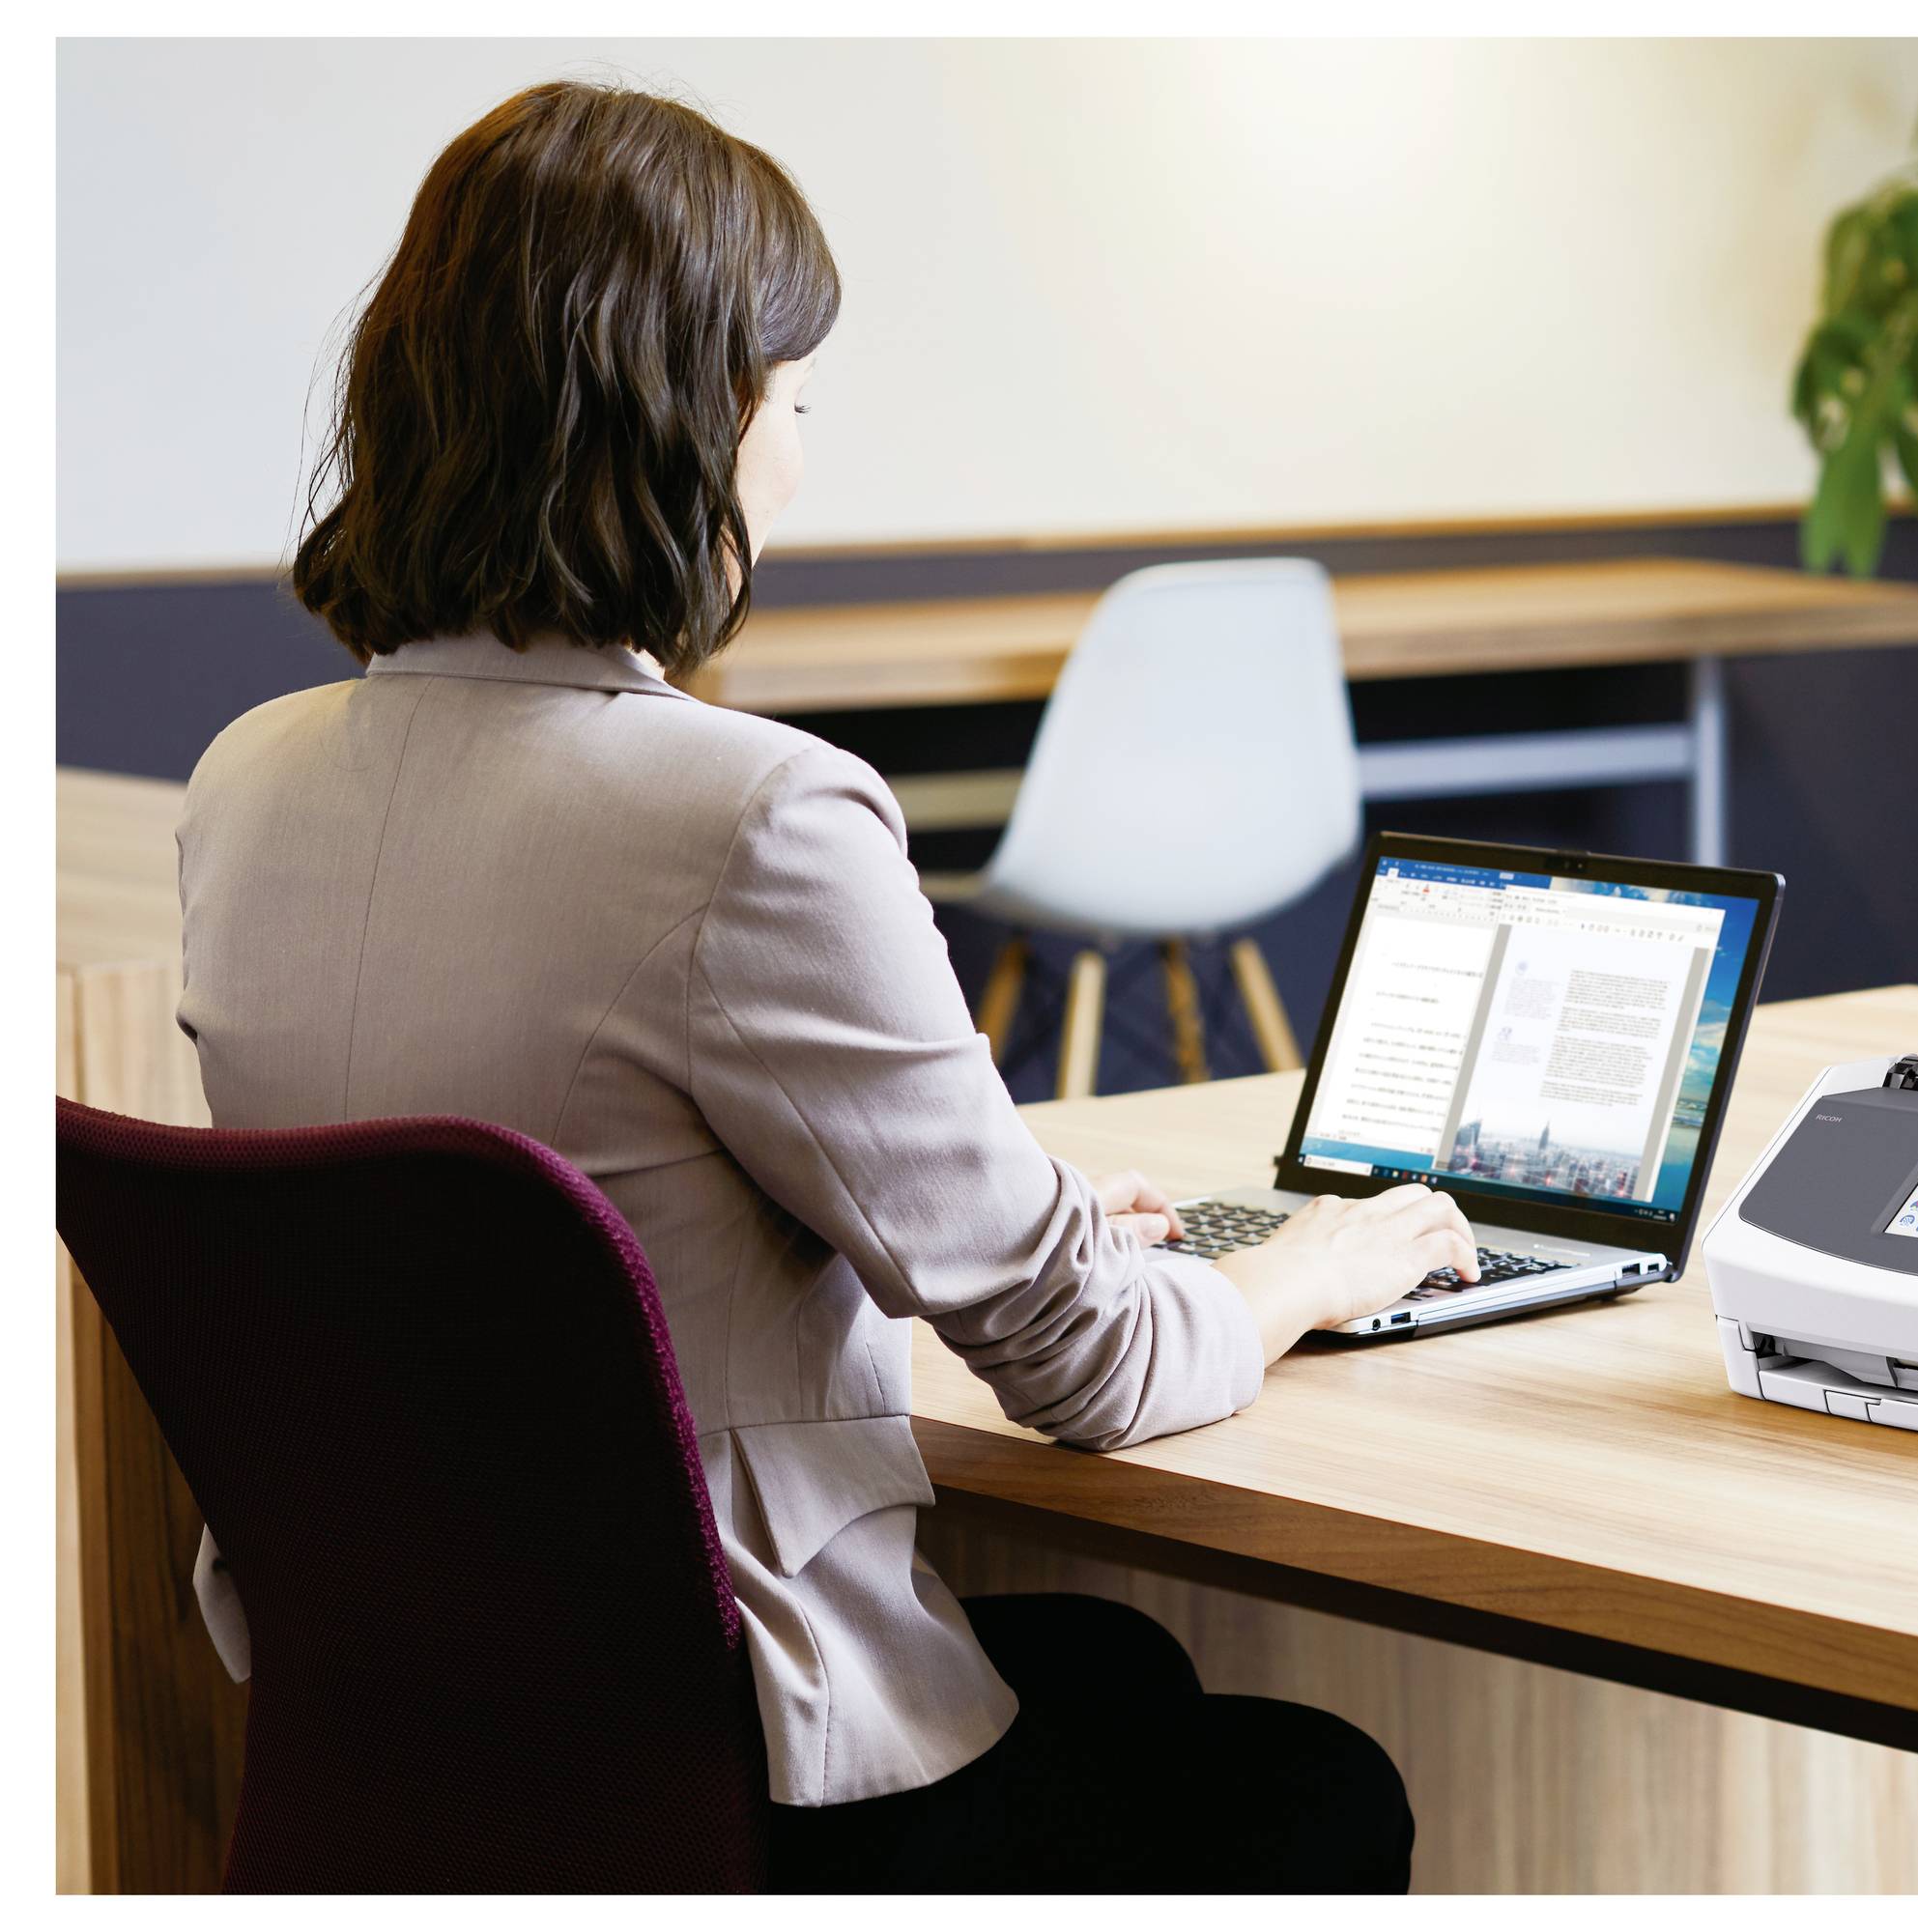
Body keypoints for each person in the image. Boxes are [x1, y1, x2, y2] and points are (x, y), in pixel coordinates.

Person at [174, 79, 1466, 1894]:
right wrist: (1309, 1269)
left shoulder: (245, 783)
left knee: (1123, 1669)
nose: (797, 456)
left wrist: (969, 1212)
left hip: (422, 1737)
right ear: (693, 423)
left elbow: (543, 1202)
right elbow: (1086, 1366)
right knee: (1308, 1787)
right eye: (793, 398)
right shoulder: (757, 814)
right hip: (719, 1774)